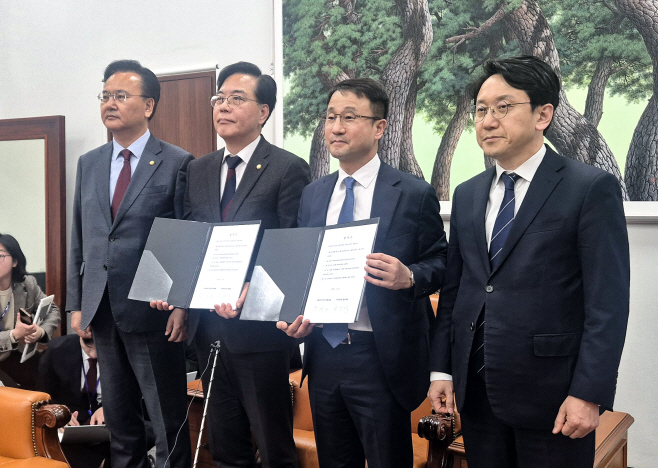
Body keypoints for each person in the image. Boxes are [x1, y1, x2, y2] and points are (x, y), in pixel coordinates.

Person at [428, 55, 630, 468]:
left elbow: (607, 304)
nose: (487, 121)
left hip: (553, 397)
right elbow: (457, 289)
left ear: (543, 115)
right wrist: (442, 371)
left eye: (503, 107)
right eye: (481, 110)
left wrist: (588, 393)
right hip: (477, 392)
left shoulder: (589, 188)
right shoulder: (467, 194)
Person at [278, 78, 447, 468]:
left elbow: (441, 263)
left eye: (349, 117)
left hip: (380, 356)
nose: (336, 128)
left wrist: (409, 277)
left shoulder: (412, 193)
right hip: (324, 352)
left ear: (379, 127)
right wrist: (295, 315)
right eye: (331, 117)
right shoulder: (314, 194)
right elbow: (303, 268)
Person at [152, 61, 311, 467]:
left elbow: (292, 244)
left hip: (260, 334)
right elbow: (191, 236)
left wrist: (252, 289)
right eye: (219, 98)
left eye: (236, 99)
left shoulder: (287, 168)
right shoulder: (199, 169)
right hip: (209, 330)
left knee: (273, 448)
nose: (223, 106)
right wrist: (177, 296)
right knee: (225, 447)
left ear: (263, 112)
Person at [67, 59, 193, 468]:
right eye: (105, 95)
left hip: (153, 312)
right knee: (120, 424)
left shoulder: (177, 161)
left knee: (167, 421)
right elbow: (80, 237)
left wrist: (181, 304)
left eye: (121, 95)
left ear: (149, 105)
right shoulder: (89, 162)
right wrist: (76, 304)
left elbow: (185, 239)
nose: (110, 103)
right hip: (102, 309)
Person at [37, 334, 110, 468]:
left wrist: (110, 407)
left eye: (99, 348)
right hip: (71, 418)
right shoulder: (57, 350)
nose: (94, 355)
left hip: (109, 417)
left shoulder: (123, 349)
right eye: (88, 348)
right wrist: (59, 413)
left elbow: (134, 390)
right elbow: (42, 394)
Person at [0, 233, 60, 388]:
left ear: (14, 261)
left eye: (0, 256)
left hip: (17, 353)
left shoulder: (27, 284)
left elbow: (52, 310)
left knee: (51, 379)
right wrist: (14, 335)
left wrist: (41, 332)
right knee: (16, 394)